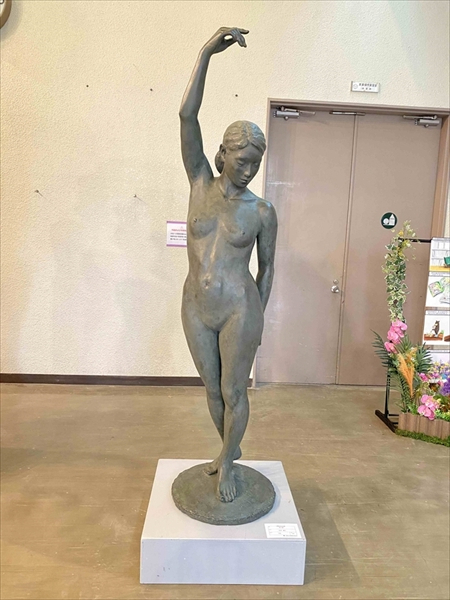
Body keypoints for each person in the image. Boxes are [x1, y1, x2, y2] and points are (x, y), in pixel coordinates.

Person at [179, 27, 277, 503]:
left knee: (234, 391)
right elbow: (186, 115)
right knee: (212, 390)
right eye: (242, 160)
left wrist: (257, 318)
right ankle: (227, 450)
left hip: (240, 309)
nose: (248, 169)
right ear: (223, 154)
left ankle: (230, 463)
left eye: (255, 163)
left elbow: (267, 269)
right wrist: (206, 54)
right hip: (196, 306)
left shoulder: (262, 211)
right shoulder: (200, 181)